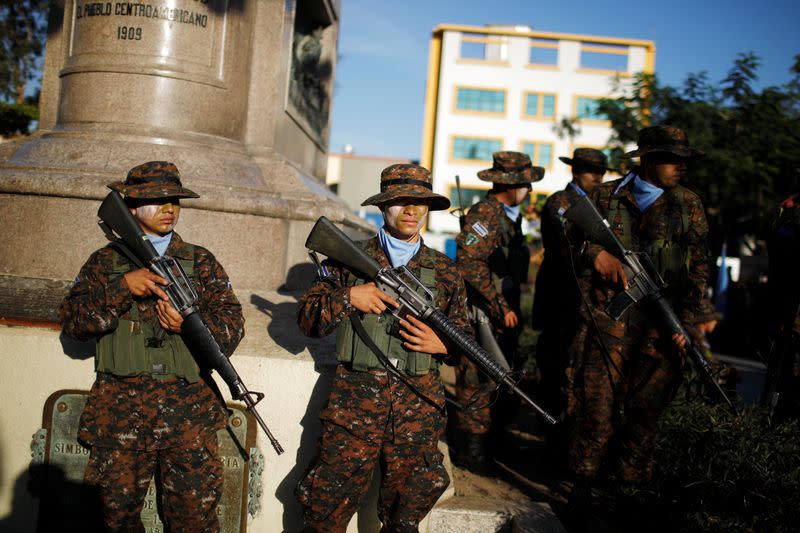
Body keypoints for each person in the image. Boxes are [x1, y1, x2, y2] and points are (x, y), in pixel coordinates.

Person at [60, 162, 245, 532]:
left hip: (189, 419)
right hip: (119, 419)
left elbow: (232, 326)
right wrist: (122, 287)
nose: (169, 208)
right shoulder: (105, 263)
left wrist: (190, 328)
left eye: (174, 200)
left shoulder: (200, 261)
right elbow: (75, 323)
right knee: (110, 520)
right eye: (157, 200)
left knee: (195, 522)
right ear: (129, 208)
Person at [295, 163, 471, 532]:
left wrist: (445, 345)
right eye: (401, 202)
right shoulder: (345, 259)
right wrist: (348, 297)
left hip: (417, 407)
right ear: (382, 206)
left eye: (420, 203)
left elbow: (465, 341)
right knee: (324, 510)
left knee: (405, 518)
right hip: (353, 407)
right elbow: (309, 321)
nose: (411, 211)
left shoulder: (445, 270)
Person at [567, 126, 709, 506]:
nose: (680, 167)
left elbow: (699, 271)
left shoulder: (689, 205)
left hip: (661, 332)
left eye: (684, 160)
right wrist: (596, 254)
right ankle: (581, 490)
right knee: (596, 415)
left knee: (644, 422)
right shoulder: (603, 196)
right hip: (606, 327)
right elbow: (571, 238)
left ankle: (627, 494)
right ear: (646, 160)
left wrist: (687, 325)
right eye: (670, 159)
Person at [453, 151, 544, 473]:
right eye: (526, 185)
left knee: (497, 377)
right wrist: (500, 305)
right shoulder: (486, 214)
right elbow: (468, 261)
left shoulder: (506, 217)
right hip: (483, 312)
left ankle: (488, 446)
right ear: (512, 185)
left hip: (500, 311)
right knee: (476, 380)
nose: (528, 191)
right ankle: (471, 453)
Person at [532, 148, 613, 422]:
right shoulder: (561, 202)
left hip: (584, 296)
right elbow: (568, 242)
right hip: (560, 293)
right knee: (556, 364)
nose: (598, 178)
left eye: (601, 172)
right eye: (592, 172)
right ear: (576, 171)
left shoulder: (600, 203)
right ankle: (550, 425)